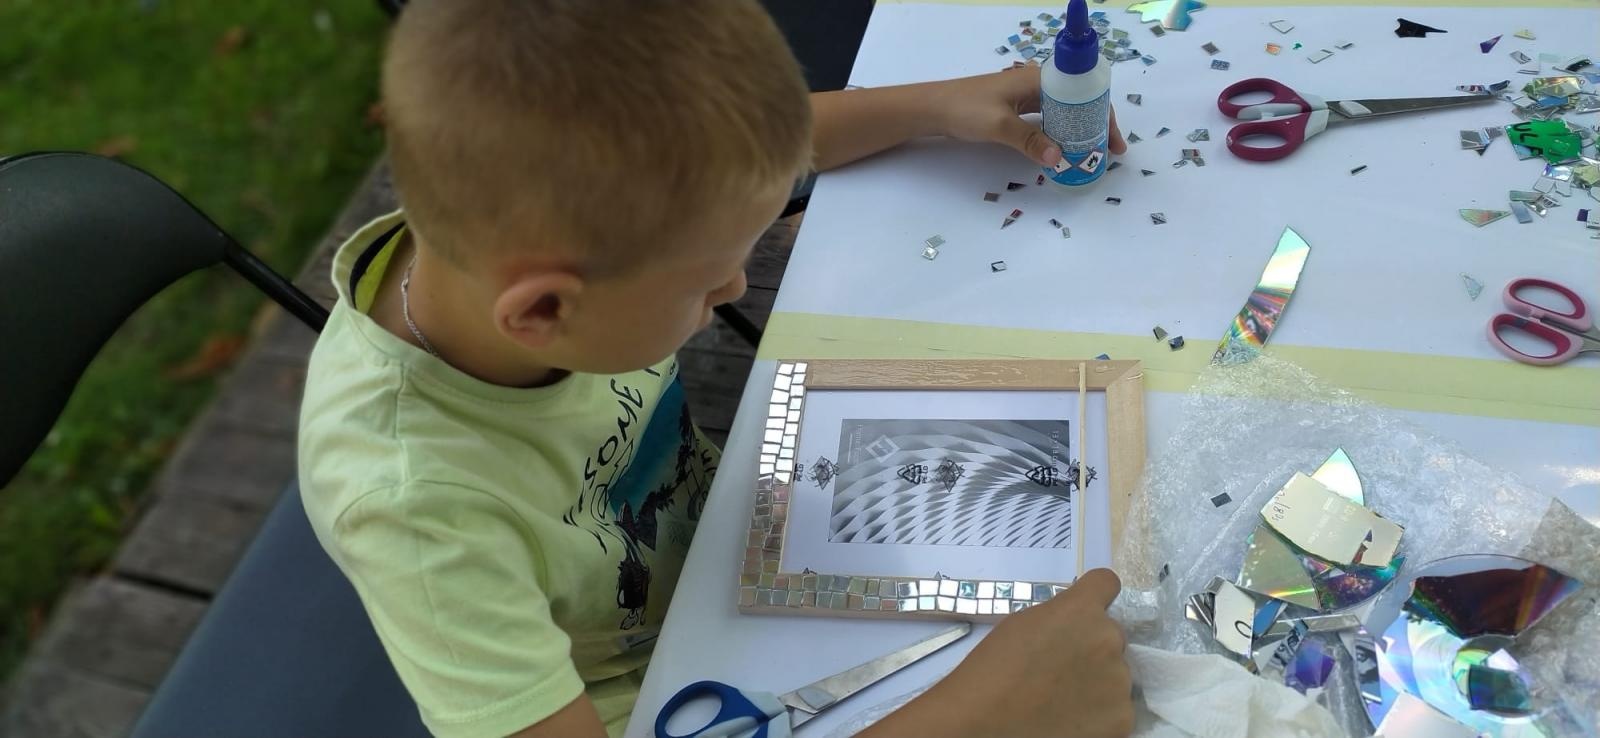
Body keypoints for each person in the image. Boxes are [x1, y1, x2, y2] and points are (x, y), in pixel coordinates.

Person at [297, 1, 1132, 736]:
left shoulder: (532, 203)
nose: (738, 287)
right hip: (654, 685)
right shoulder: (417, 507)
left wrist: (937, 109)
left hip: (751, 542)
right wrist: (975, 723)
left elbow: (733, 148)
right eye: (707, 280)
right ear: (546, 310)